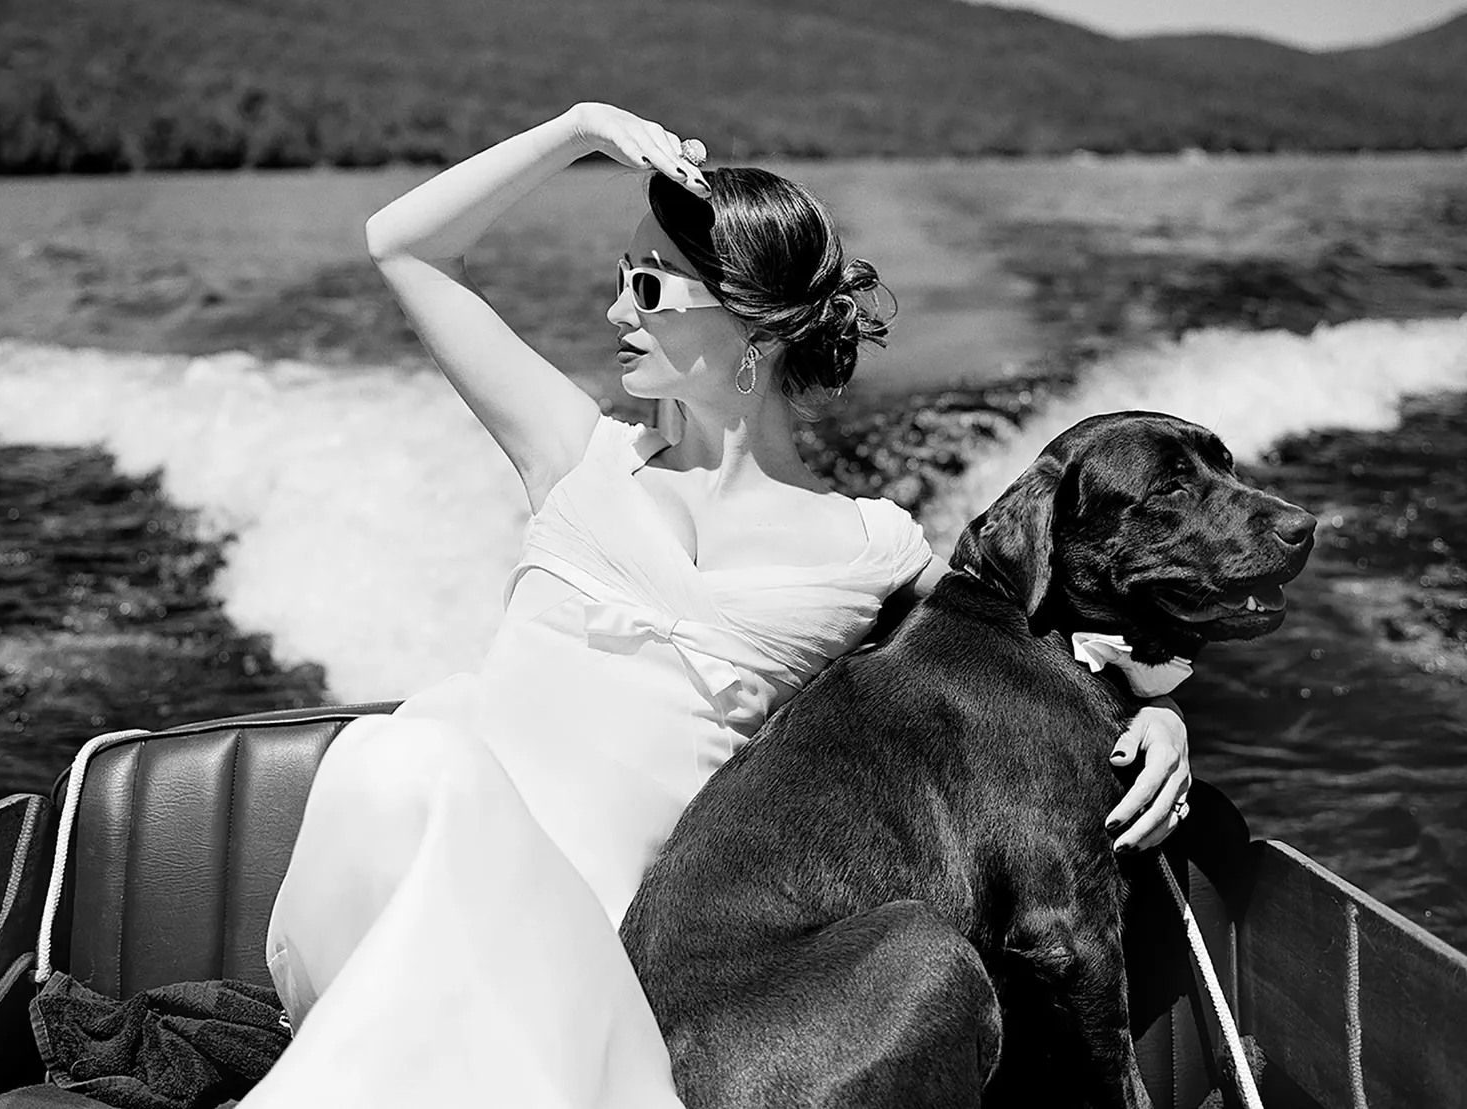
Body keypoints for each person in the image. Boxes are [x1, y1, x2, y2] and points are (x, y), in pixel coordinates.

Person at [241, 103, 1191, 1108]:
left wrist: (1159, 710)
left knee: (413, 759)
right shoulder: (574, 454)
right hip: (430, 883)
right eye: (618, 281)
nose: (617, 311)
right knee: (400, 754)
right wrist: (573, 132)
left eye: (647, 286)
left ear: (751, 328)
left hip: (611, 969)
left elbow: (1019, 661)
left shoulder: (869, 547)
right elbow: (404, 247)